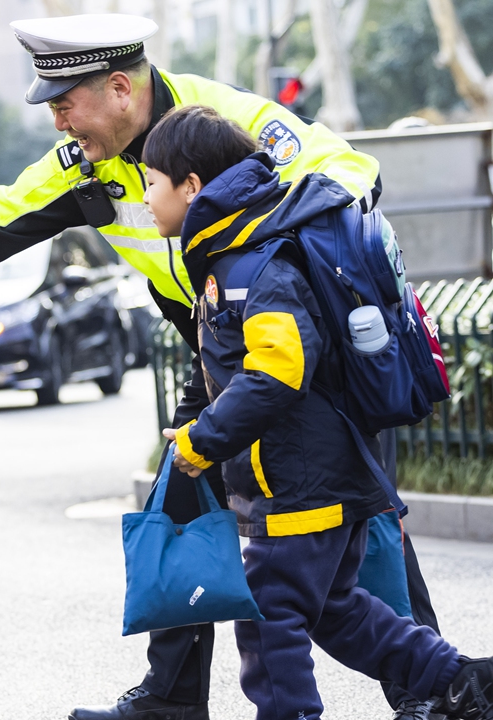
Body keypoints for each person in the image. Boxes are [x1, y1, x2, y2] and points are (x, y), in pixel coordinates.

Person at [0, 13, 443, 720]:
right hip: (216, 349)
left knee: (367, 518)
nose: (58, 123)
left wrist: (268, 257)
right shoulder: (87, 167)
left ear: (116, 89)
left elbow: (351, 170)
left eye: (63, 104)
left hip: (309, 348)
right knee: (177, 507)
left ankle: (431, 694)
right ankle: (171, 698)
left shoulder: (223, 118)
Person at [141, 104, 493, 720]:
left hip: (298, 483)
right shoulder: (239, 250)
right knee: (337, 609)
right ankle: (461, 679)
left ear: (191, 186)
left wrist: (203, 440)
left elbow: (280, 370)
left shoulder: (251, 263)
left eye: (151, 183)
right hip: (320, 473)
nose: (144, 200)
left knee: (268, 617)